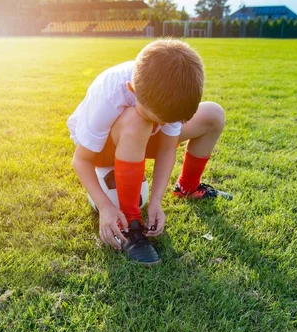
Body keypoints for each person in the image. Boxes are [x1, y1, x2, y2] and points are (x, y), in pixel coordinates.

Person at [69, 38, 231, 266]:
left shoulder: (170, 94)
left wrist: (156, 201)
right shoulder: (109, 91)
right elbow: (81, 160)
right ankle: (132, 225)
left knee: (213, 114)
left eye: (169, 121)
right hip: (103, 149)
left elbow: (167, 148)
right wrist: (105, 207)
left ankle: (188, 187)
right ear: (132, 90)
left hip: (141, 137)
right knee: (138, 121)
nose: (163, 124)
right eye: (158, 119)